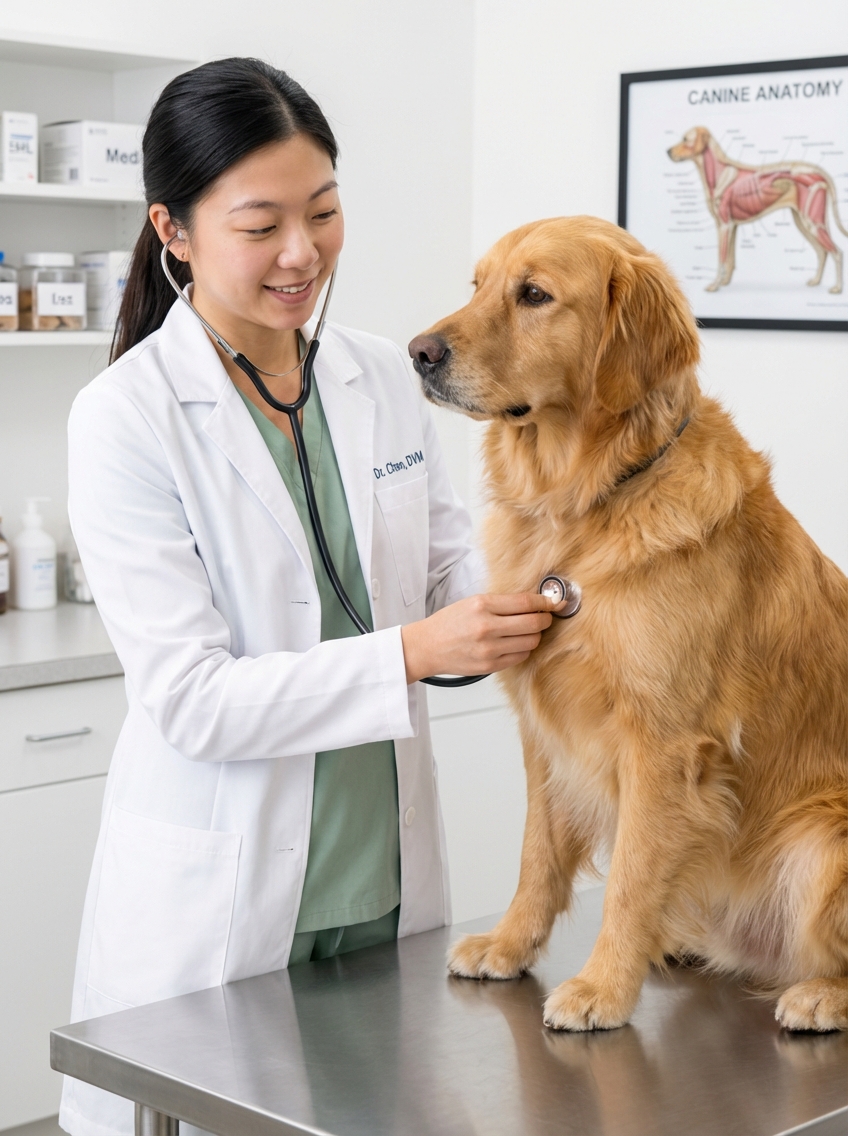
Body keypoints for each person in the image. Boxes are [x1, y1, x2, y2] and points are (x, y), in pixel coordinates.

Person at [59, 58, 551, 1136]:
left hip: (379, 878)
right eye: (260, 223)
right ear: (173, 231)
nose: (302, 251)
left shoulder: (379, 375)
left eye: (323, 212)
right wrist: (414, 652)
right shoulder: (126, 417)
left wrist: (551, 576)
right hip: (221, 904)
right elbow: (192, 700)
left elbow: (448, 579)